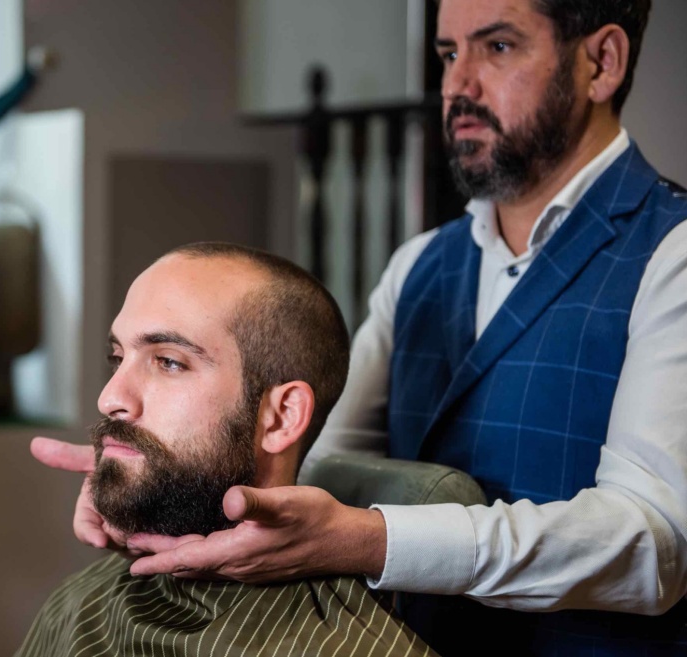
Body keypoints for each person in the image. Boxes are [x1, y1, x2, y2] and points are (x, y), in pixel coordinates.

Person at [35, 0, 687, 654]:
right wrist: (151, 471)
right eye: (447, 54)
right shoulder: (420, 266)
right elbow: (300, 457)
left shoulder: (671, 254)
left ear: (601, 63)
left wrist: (370, 539)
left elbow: (656, 544)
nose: (457, 84)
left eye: (497, 48)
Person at [17, 243, 433, 657]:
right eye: (118, 357)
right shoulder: (80, 604)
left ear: (282, 416)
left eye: (168, 362)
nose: (109, 398)